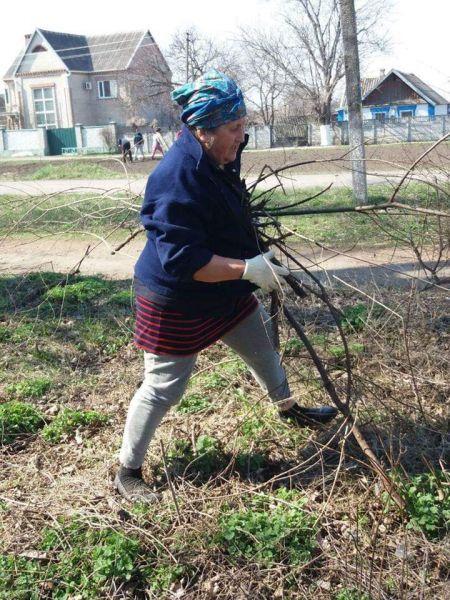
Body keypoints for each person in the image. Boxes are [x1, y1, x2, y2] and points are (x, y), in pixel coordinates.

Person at [114, 69, 337, 503]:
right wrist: (247, 269)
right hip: (174, 300)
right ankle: (128, 471)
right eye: (235, 128)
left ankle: (289, 408)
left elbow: (225, 213)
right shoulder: (175, 178)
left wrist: (257, 258)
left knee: (260, 347)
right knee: (164, 388)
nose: (242, 135)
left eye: (243, 125)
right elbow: (184, 261)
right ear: (203, 129)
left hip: (223, 291)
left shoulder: (219, 154)